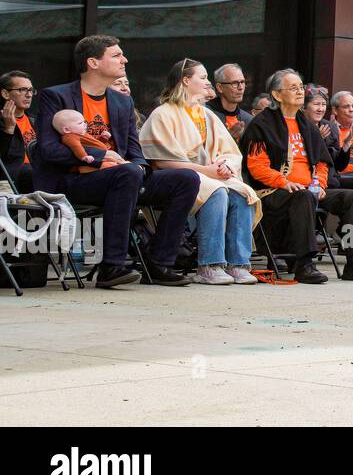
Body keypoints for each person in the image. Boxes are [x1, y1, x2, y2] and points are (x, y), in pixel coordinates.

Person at [29, 35, 200, 288]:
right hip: (74, 180)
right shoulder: (56, 96)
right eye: (117, 55)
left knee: (185, 179)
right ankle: (112, 266)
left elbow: (134, 148)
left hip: (122, 177)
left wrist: (140, 168)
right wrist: (102, 157)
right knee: (128, 174)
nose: (125, 60)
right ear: (93, 63)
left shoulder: (122, 101)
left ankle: (158, 263)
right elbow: (49, 150)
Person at [241, 69, 353, 283]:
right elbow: (256, 166)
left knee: (351, 196)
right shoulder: (262, 124)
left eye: (301, 87)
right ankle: (303, 264)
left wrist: (320, 184)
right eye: (293, 88)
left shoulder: (305, 124)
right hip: (273, 190)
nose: (300, 92)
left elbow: (323, 162)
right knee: (303, 196)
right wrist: (285, 182)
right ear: (277, 95)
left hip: (308, 188)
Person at [139, 59, 261, 285]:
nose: (207, 83)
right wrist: (207, 170)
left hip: (210, 174)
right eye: (202, 77)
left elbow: (229, 150)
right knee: (217, 192)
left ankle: (238, 264)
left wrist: (225, 165)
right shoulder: (163, 113)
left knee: (243, 193)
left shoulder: (206, 114)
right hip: (180, 176)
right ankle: (210, 265)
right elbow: (162, 160)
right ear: (186, 80)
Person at [0, 71, 36, 192]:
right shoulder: (3, 122)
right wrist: (8, 129)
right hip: (13, 180)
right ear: (5, 94)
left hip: (36, 174)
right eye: (22, 90)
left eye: (31, 90)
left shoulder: (35, 121)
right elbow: (3, 160)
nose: (29, 95)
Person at [210, 63, 251, 141]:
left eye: (242, 82)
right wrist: (228, 139)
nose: (241, 87)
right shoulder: (206, 114)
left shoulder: (248, 120)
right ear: (220, 87)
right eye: (234, 83)